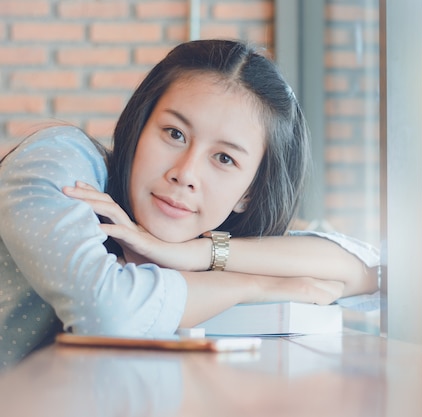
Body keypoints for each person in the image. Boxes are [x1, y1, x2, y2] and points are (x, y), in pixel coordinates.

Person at [0, 39, 379, 371]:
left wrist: (196, 254)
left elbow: (373, 273)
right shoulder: (60, 160)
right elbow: (108, 314)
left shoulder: (197, 238)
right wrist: (255, 286)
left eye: (224, 159)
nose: (185, 173)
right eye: (174, 133)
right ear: (139, 125)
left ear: (249, 192)